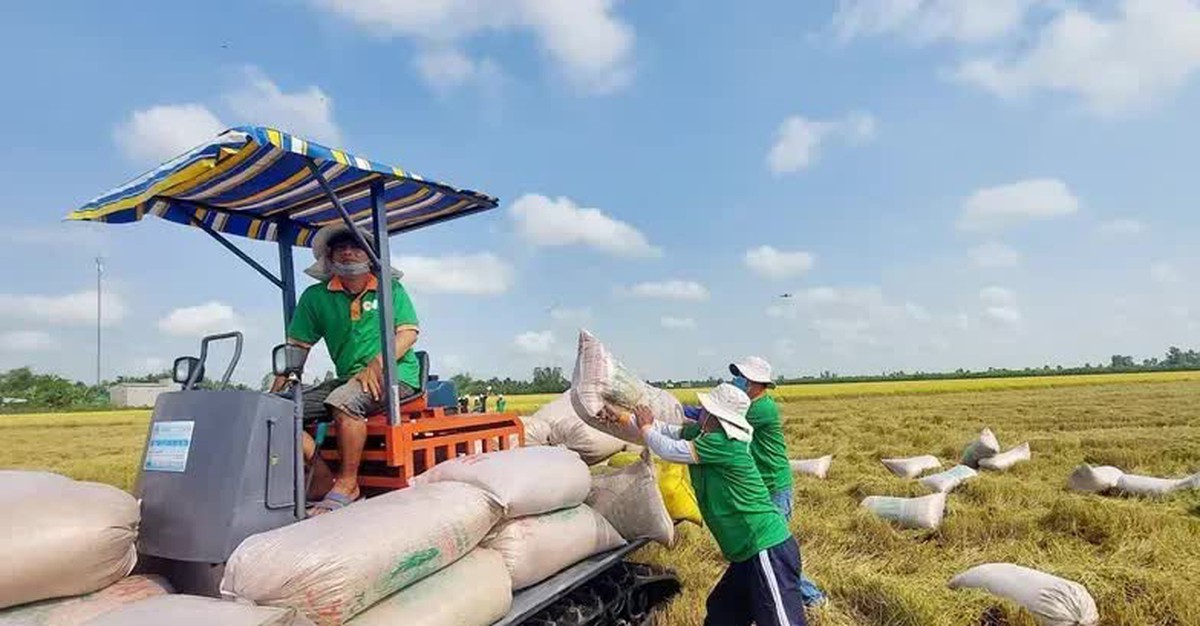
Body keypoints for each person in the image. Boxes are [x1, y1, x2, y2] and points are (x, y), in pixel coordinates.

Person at [270, 224, 421, 515]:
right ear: (330, 256)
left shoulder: (391, 289)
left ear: (370, 255)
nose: (349, 252)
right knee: (275, 411)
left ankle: (349, 484)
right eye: (341, 247)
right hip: (347, 378)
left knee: (344, 401)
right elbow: (297, 348)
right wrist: (272, 393)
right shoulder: (316, 297)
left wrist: (375, 366)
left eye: (356, 246)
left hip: (396, 375)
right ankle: (323, 478)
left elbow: (407, 334)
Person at [630, 383, 809, 626]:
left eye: (704, 409)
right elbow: (668, 431)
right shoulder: (703, 435)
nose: (700, 412)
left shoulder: (725, 443)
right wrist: (625, 419)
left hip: (765, 547)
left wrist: (646, 428)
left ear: (715, 415)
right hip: (746, 553)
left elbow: (670, 449)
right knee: (723, 613)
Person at [730, 356, 827, 608]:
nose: (736, 381)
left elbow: (718, 420)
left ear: (755, 382)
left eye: (741, 377)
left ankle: (814, 599)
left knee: (774, 553)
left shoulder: (760, 409)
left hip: (774, 487)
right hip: (763, 486)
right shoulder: (750, 404)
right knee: (760, 550)